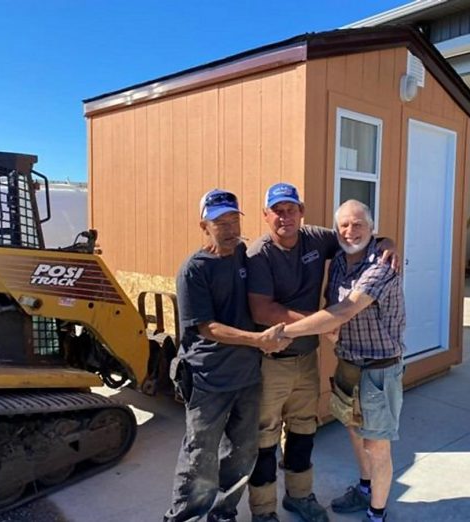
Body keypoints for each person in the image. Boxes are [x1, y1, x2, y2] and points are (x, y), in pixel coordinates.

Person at [246, 184, 398, 522]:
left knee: (303, 430)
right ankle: (264, 509)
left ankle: (299, 496)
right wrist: (321, 324)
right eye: (277, 210)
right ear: (266, 215)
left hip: (307, 358)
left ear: (301, 210)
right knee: (265, 436)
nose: (285, 217)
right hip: (273, 362)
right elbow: (261, 311)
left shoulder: (316, 237)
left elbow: (357, 235)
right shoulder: (259, 254)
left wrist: (388, 242)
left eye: (290, 209)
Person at [164, 189, 290, 522]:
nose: (230, 227)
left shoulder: (244, 257)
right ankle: (186, 517)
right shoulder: (194, 269)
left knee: (242, 453)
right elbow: (206, 327)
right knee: (200, 457)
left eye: (234, 219)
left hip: (247, 378)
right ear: (203, 224)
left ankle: (223, 514)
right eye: (220, 221)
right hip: (208, 379)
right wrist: (258, 339)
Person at [281, 199, 405, 522]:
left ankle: (376, 514)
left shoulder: (382, 266)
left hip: (378, 370)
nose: (351, 231)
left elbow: (345, 309)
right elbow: (330, 304)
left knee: (377, 446)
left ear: (373, 229)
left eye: (359, 224)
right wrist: (332, 332)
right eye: (344, 226)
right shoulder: (337, 261)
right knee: (353, 429)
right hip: (347, 364)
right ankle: (365, 488)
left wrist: (284, 332)